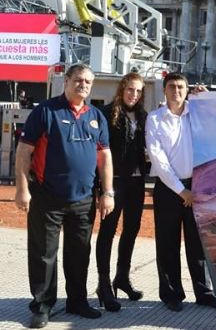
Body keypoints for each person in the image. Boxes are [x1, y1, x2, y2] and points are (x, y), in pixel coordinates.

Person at [14, 64, 115, 329]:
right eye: (79, 80)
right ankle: (42, 306)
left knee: (79, 253)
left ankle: (78, 301)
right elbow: (24, 152)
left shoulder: (96, 116)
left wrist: (108, 192)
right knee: (44, 254)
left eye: (89, 81)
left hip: (83, 200)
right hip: (47, 197)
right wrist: (22, 189)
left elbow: (104, 156)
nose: (84, 85)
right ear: (67, 81)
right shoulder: (45, 112)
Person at [145, 72, 216, 312]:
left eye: (181, 87)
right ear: (164, 90)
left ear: (187, 89)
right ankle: (171, 293)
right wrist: (182, 191)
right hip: (170, 189)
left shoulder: (199, 112)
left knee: (198, 242)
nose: (177, 91)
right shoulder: (155, 119)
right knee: (167, 242)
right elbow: (158, 160)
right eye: (172, 87)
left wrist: (208, 98)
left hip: (198, 185)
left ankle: (204, 293)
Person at [94, 72, 149, 312]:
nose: (134, 95)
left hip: (137, 182)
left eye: (138, 91)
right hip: (114, 182)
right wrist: (102, 188)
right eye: (130, 90)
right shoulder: (107, 114)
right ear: (121, 89)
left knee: (132, 230)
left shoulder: (143, 116)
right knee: (108, 231)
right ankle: (103, 284)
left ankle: (122, 277)